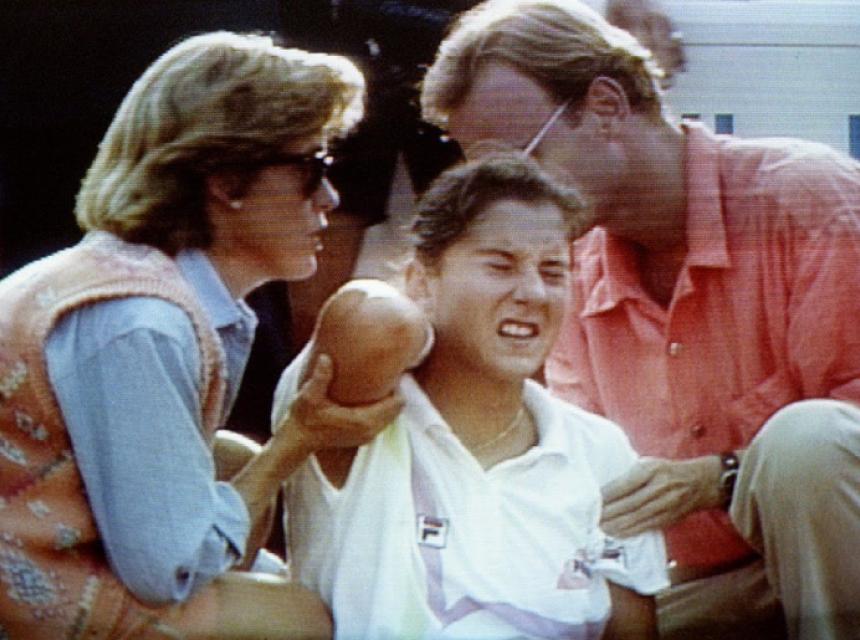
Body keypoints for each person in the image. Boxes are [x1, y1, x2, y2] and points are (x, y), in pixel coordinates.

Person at [419, 1, 860, 639]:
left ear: (606, 106)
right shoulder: (563, 272)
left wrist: (723, 477)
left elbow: (835, 453)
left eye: (519, 163)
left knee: (807, 442)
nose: (505, 198)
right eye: (487, 178)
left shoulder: (806, 199)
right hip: (712, 584)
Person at [0, 31, 404, 639]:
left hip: (40, 539)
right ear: (227, 180)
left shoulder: (145, 279)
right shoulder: (141, 321)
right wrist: (296, 442)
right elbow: (168, 572)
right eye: (311, 168)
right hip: (21, 588)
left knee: (234, 459)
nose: (330, 197)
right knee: (303, 618)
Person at [272, 153, 669, 639]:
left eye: (553, 271)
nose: (533, 293)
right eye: (500, 265)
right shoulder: (356, 413)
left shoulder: (601, 449)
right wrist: (425, 315)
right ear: (420, 280)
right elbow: (374, 319)